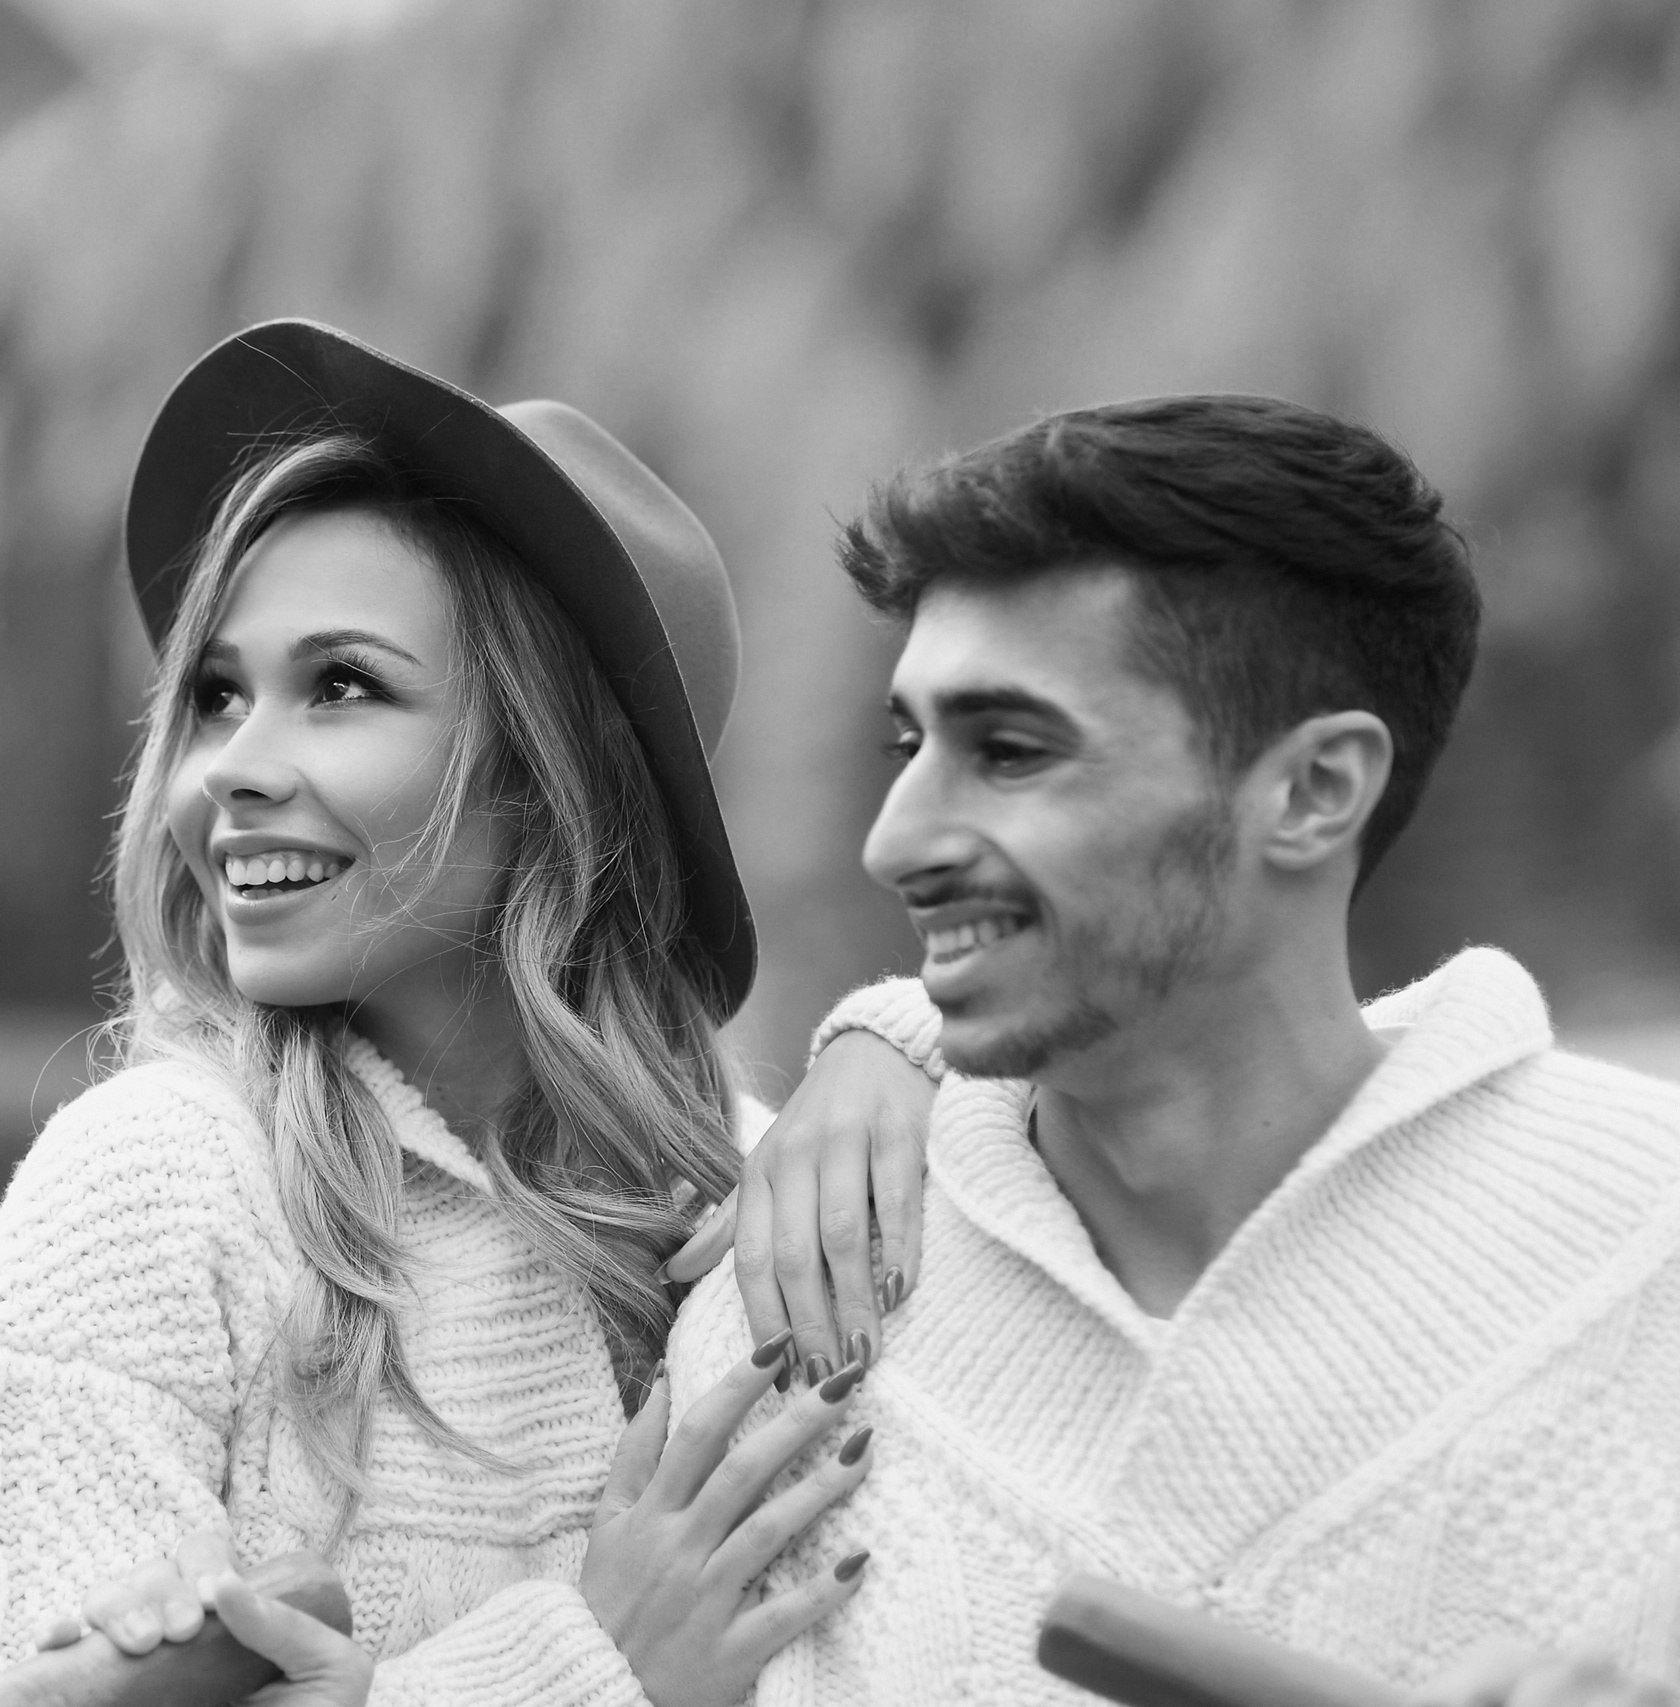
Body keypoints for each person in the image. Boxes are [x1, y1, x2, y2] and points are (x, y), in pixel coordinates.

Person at [0, 320, 917, 1707]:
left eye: (342, 687)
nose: (231, 770)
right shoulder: (156, 1195)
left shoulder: (769, 1194)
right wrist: (585, 1674)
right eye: (217, 695)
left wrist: (910, 1051)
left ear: (551, 778)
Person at [664, 395, 1680, 1706]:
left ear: (1314, 792)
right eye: (906, 745)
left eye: (1011, 750)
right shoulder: (785, 1312)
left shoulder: (1650, 1252)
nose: (894, 841)